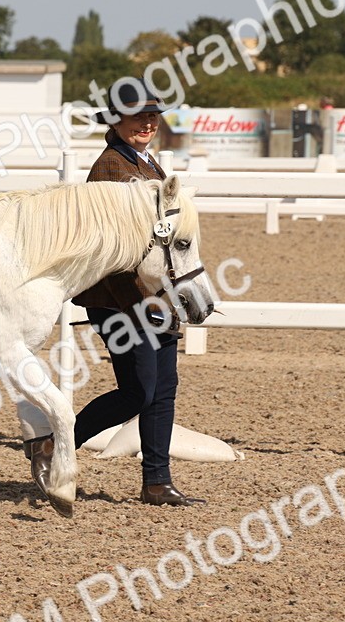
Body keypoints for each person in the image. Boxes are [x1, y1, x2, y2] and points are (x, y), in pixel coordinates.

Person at [21, 81, 206, 507]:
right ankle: (53, 444)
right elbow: (116, 252)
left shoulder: (147, 164)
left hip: (155, 300)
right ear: (116, 121)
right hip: (122, 302)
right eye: (138, 116)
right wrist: (146, 304)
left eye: (152, 115)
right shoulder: (111, 170)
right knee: (138, 391)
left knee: (163, 390)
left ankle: (157, 481)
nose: (148, 123)